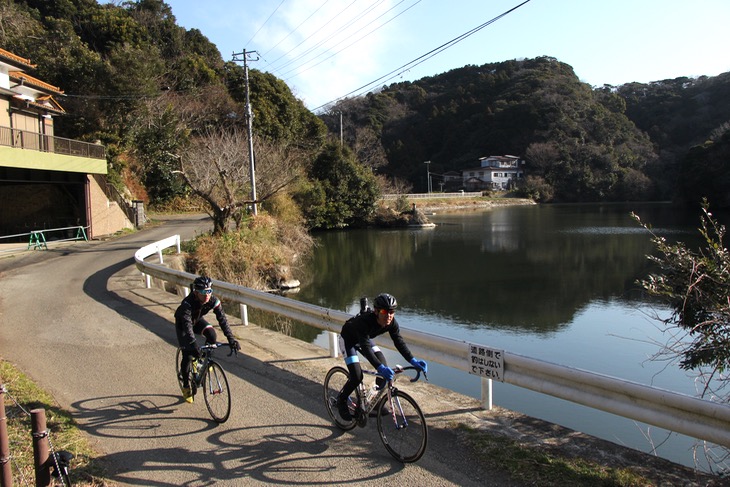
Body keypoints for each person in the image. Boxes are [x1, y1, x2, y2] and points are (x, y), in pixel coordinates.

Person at [337, 293, 428, 420]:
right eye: (385, 311)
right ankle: (341, 400)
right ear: (376, 311)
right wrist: (379, 368)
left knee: (383, 368)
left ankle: (373, 403)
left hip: (365, 339)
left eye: (392, 311)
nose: (389, 315)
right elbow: (366, 349)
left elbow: (399, 342)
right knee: (357, 376)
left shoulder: (391, 323)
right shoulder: (365, 322)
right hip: (349, 340)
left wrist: (413, 360)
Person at [175, 276, 240, 403]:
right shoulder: (187, 304)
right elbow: (188, 327)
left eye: (209, 291)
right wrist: (193, 344)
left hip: (197, 321)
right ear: (196, 292)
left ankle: (203, 362)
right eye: (204, 292)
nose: (207, 295)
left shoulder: (212, 301)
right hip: (183, 325)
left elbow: (222, 320)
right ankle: (186, 386)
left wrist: (231, 339)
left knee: (212, 335)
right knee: (187, 355)